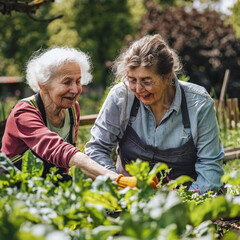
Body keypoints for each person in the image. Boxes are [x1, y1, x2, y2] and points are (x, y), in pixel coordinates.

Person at [0, 46, 159, 189]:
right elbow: (58, 150)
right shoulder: (24, 112)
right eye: (67, 82)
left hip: (48, 187)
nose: (75, 89)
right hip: (14, 191)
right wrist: (117, 180)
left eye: (78, 81)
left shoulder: (71, 109)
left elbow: (71, 165)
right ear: (43, 84)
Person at [85, 34, 225, 194]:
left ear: (167, 77)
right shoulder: (121, 97)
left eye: (146, 81)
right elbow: (97, 148)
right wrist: (119, 186)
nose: (138, 89)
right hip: (130, 198)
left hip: (185, 199)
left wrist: (185, 204)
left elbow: (210, 166)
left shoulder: (199, 104)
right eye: (132, 80)